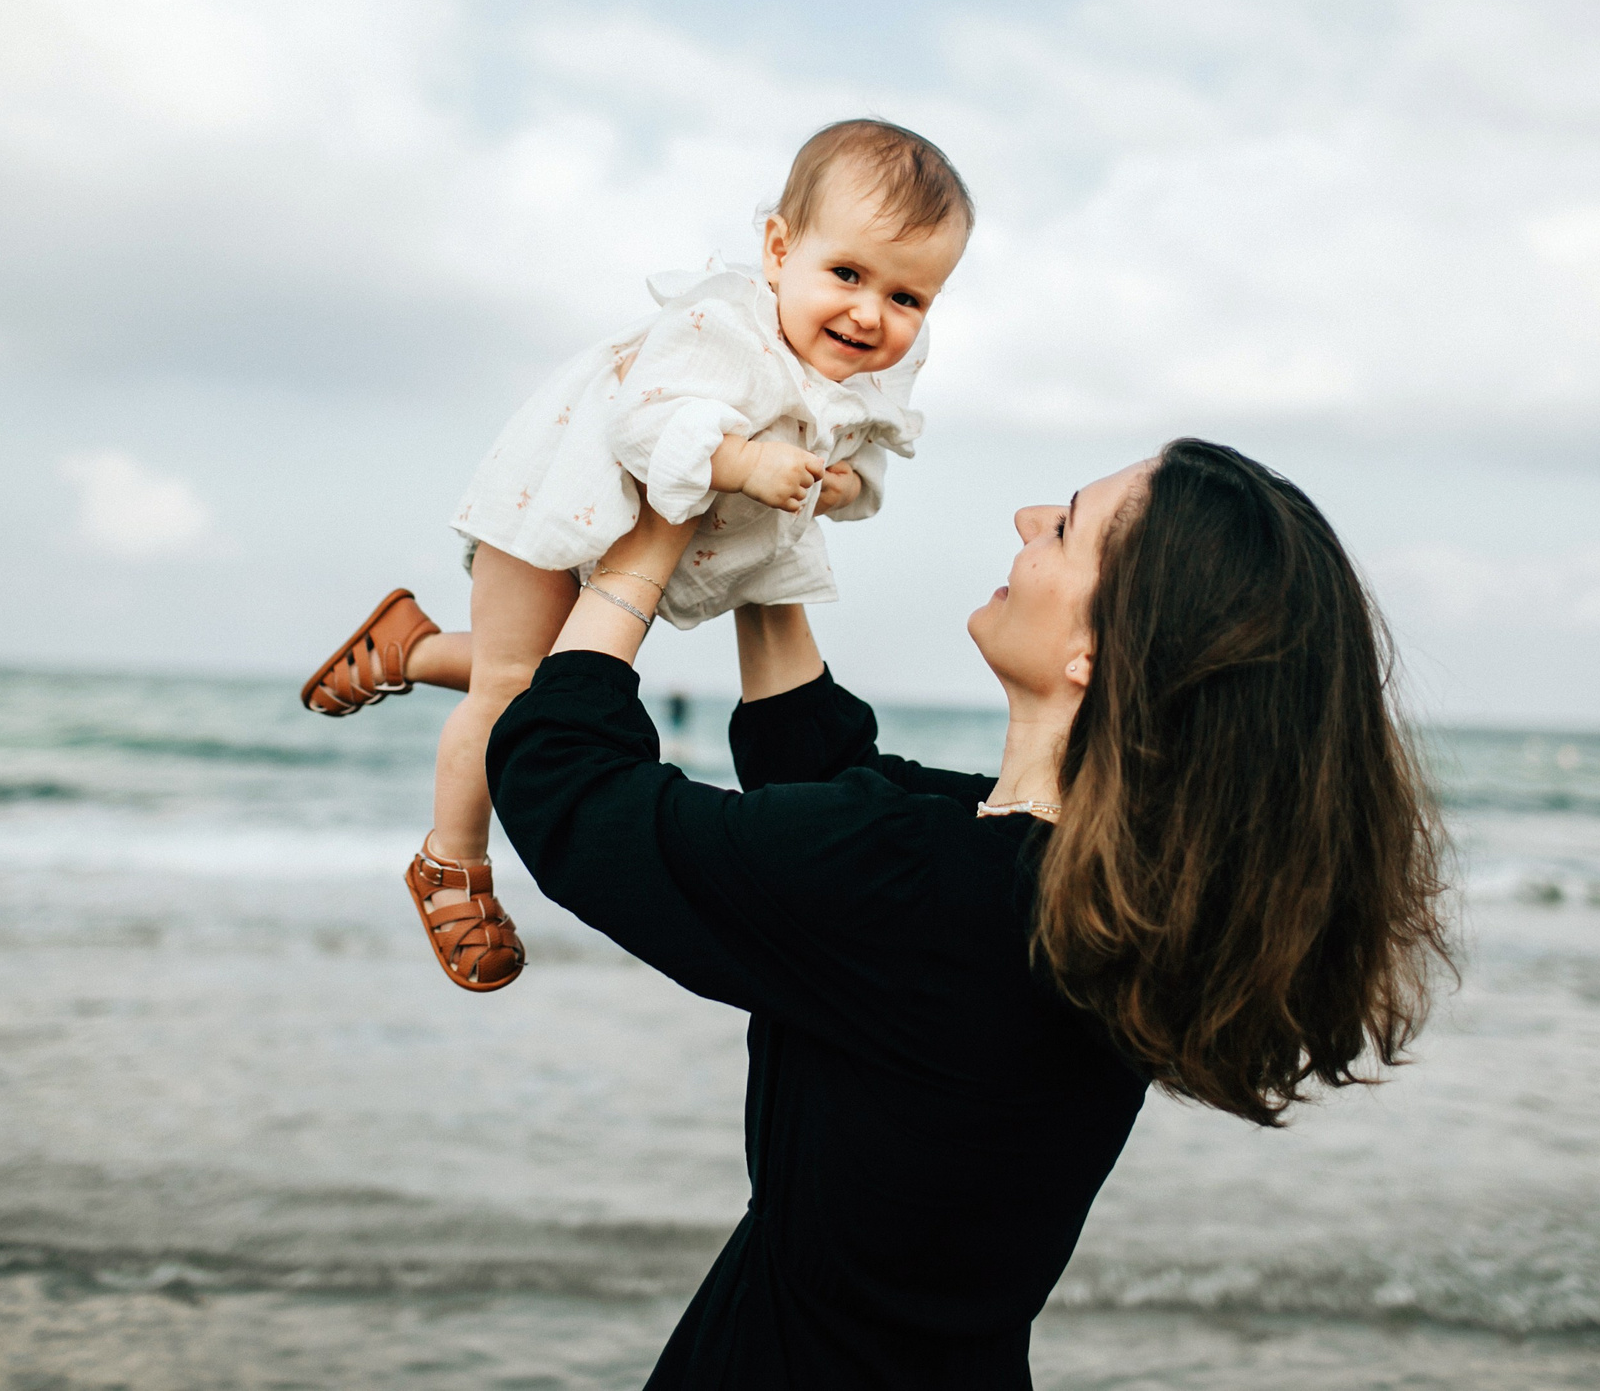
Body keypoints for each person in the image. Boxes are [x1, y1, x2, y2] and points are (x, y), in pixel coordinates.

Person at [477, 437, 1455, 1386]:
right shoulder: (1104, 891)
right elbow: (827, 781)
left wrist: (648, 544)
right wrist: (763, 546)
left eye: (1066, 529)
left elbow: (569, 794)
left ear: (1097, 650)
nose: (1029, 520)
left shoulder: (932, 885)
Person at [296, 119, 974, 992]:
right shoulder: (720, 329)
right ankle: (450, 863)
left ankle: (410, 648)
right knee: (513, 686)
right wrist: (742, 460)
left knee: (547, 671)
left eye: (907, 299)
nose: (869, 313)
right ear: (778, 250)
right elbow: (644, 422)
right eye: (846, 274)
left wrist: (846, 487)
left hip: (632, 534)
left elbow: (872, 456)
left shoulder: (863, 371)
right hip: (560, 489)